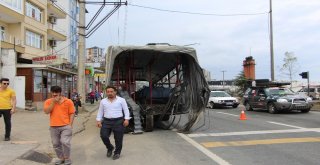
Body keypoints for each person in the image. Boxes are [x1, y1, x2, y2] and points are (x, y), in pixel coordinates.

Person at [96, 85, 130, 160]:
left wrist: (126, 119)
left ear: (115, 92)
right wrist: (98, 120)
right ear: (106, 93)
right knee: (103, 136)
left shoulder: (121, 100)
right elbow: (100, 111)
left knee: (118, 138)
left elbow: (126, 110)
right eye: (108, 92)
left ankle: (117, 152)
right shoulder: (103, 101)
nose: (109, 93)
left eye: (111, 91)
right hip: (106, 121)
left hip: (118, 121)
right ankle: (110, 147)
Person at [43, 86, 75, 165]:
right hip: (53, 126)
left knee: (65, 142)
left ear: (60, 93)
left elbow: (72, 113)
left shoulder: (68, 101)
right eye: (53, 92)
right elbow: (46, 111)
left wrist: (70, 125)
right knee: (56, 144)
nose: (54, 94)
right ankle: (61, 158)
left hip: (65, 126)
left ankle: (67, 158)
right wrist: (53, 102)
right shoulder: (48, 101)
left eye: (56, 92)